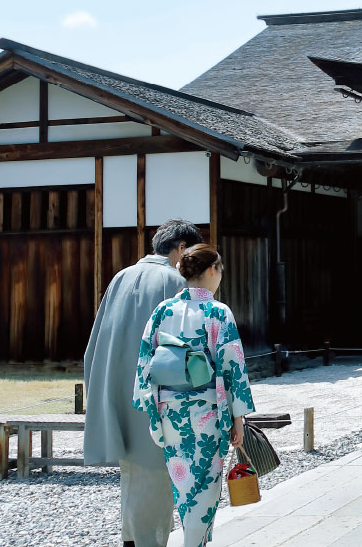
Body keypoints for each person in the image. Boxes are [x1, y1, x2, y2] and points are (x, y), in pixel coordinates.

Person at [84, 219, 202, 547]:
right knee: (154, 480)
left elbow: (96, 343)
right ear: (180, 249)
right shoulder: (176, 281)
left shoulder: (121, 277)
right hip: (157, 401)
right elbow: (188, 351)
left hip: (116, 393)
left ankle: (131, 540)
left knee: (133, 478)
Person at [134, 244, 255, 547]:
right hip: (206, 417)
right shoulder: (218, 312)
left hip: (170, 416)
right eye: (221, 269)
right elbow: (232, 368)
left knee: (185, 490)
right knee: (205, 489)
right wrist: (238, 419)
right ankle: (193, 543)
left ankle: (195, 541)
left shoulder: (163, 311)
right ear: (212, 270)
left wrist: (150, 408)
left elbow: (145, 362)